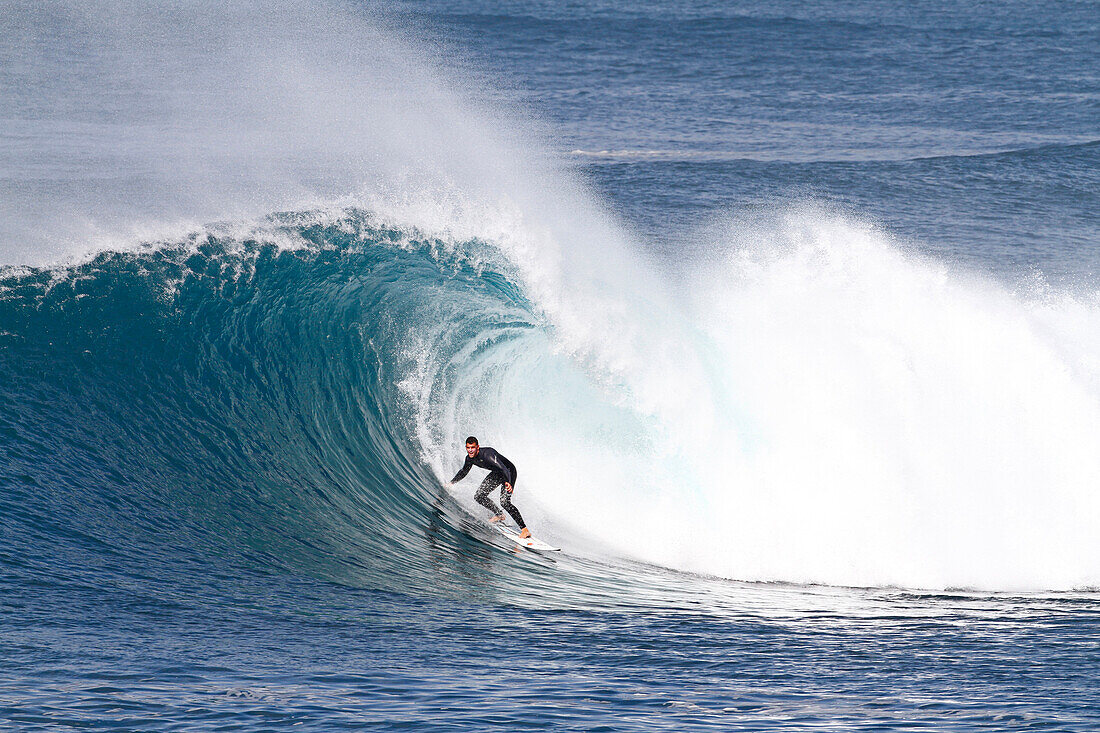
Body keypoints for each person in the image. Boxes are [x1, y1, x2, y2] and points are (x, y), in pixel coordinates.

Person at [449, 436, 531, 539]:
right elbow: (463, 472)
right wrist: (451, 483)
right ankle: (499, 515)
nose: (470, 450)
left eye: (473, 447)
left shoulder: (488, 455)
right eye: (468, 448)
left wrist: (508, 483)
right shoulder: (469, 459)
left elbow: (504, 469)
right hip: (497, 473)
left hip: (509, 472)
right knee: (479, 496)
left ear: (477, 447)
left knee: (505, 502)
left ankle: (525, 530)